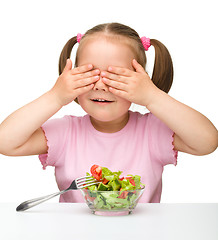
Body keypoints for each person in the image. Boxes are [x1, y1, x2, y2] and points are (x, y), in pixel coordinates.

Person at [0, 23, 217, 203]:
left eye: (115, 77)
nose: (101, 86)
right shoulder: (66, 133)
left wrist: (152, 96)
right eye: (89, 74)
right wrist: (55, 97)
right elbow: (6, 141)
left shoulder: (151, 131)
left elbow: (207, 142)